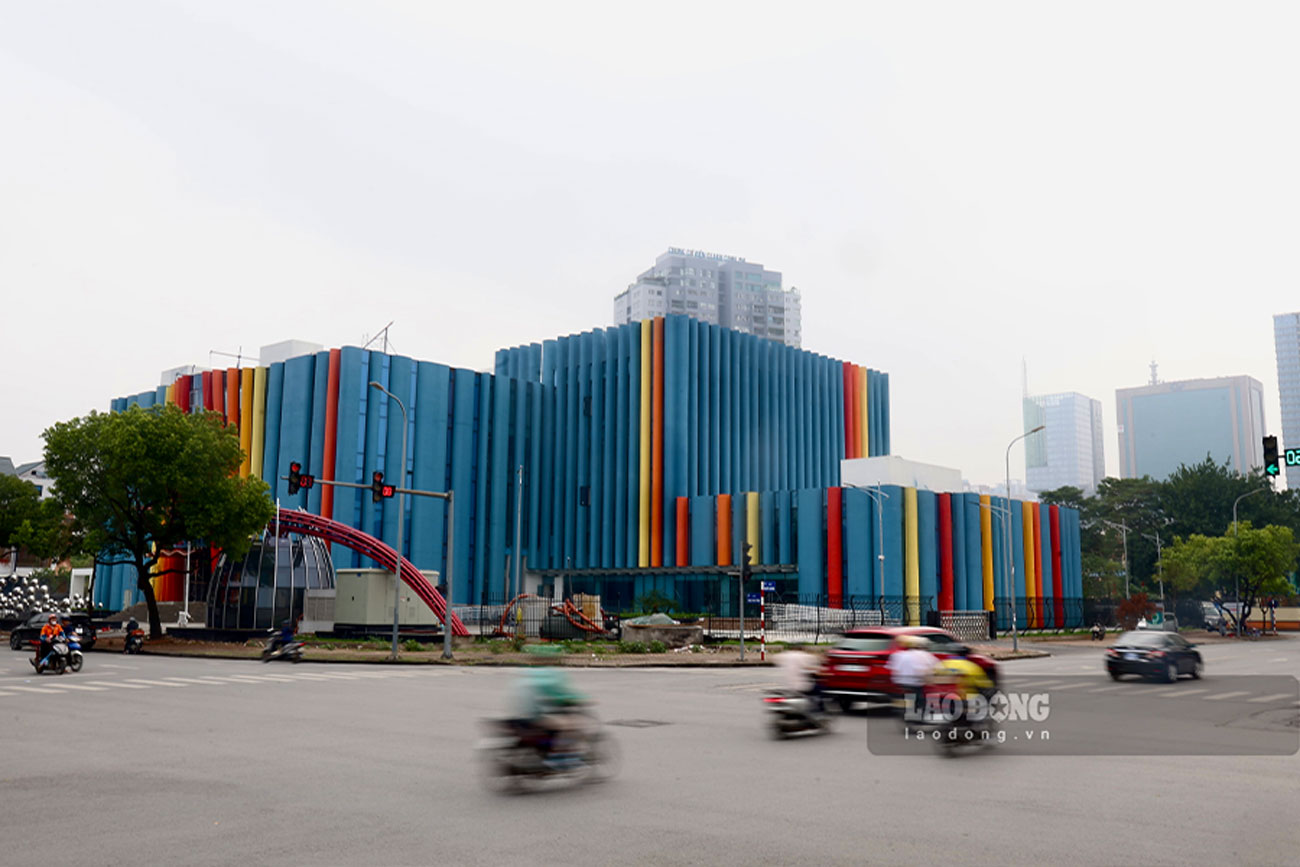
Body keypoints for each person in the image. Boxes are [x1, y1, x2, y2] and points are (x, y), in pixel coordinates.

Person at [508, 668, 588, 766]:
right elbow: (558, 694)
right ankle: (556, 757)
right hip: (533, 719)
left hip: (519, 718)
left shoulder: (526, 677)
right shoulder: (547, 678)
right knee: (569, 725)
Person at [887, 634, 937, 721]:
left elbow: (893, 669)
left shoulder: (899, 655)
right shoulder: (926, 655)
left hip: (900, 683)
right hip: (916, 684)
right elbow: (933, 669)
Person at [776, 643, 824, 712]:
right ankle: (817, 711)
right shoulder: (802, 656)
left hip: (787, 686)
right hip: (801, 686)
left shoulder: (784, 655)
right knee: (820, 689)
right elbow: (810, 668)